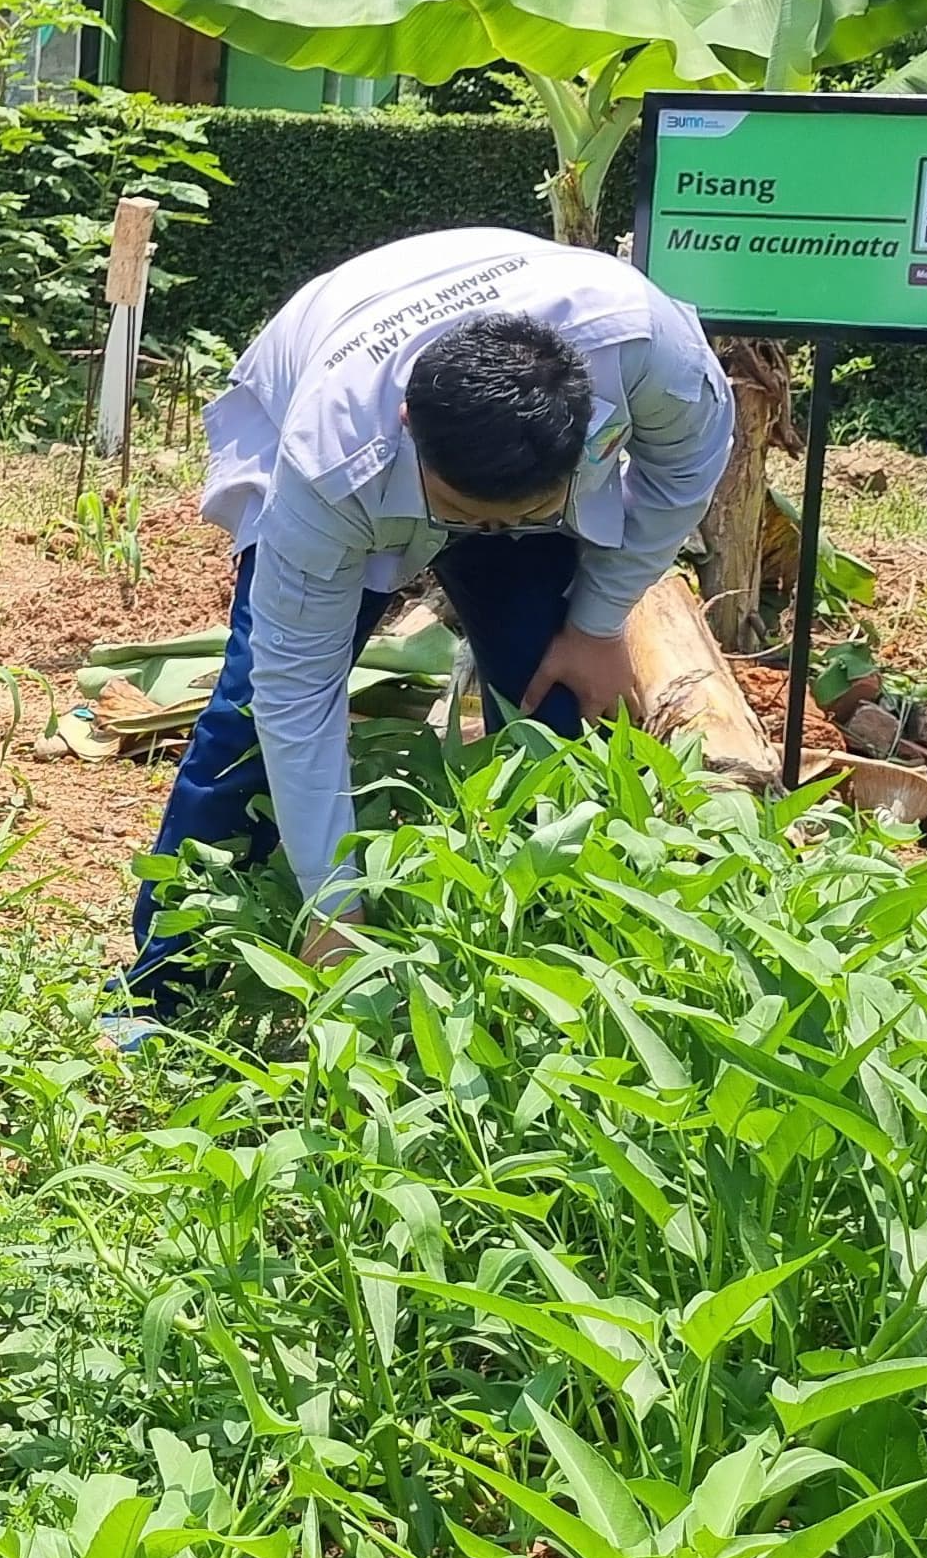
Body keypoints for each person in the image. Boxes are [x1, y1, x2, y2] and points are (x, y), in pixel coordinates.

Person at [128, 226, 737, 1001]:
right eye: (460, 513)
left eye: (509, 517)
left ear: (586, 439)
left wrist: (598, 620)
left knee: (551, 703)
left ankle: (543, 957)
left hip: (514, 456)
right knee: (248, 718)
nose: (478, 533)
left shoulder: (649, 351)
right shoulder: (326, 465)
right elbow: (297, 693)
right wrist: (334, 904)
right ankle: (160, 988)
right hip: (345, 403)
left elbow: (684, 471)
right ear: (412, 426)